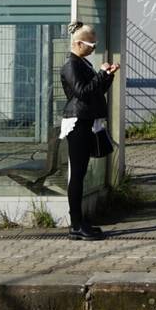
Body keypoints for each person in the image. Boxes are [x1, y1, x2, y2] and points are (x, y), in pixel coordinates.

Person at [60, 21, 119, 241]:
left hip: (87, 121)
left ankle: (81, 221)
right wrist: (101, 75)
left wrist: (107, 76)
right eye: (90, 44)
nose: (93, 48)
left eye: (95, 44)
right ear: (78, 43)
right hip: (77, 123)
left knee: (81, 174)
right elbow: (83, 92)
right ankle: (76, 224)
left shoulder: (83, 63)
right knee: (77, 174)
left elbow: (96, 91)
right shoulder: (71, 65)